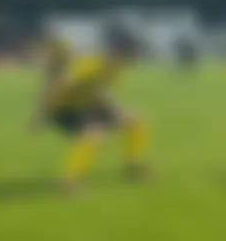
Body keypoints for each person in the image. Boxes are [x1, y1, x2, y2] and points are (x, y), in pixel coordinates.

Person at [31, 25, 150, 191]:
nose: (133, 57)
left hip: (88, 105)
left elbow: (100, 92)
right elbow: (59, 87)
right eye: (130, 51)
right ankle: (68, 182)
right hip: (65, 108)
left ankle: (133, 165)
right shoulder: (89, 65)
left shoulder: (116, 69)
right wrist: (42, 116)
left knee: (134, 119)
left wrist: (117, 110)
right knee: (93, 136)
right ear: (117, 50)